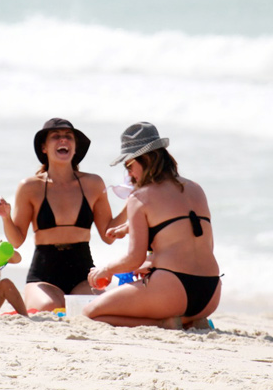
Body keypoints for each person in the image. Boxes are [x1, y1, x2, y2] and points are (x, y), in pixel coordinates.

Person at [84, 122, 221, 329]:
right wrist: (153, 264)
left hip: (173, 290)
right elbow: (201, 248)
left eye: (129, 166)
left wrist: (105, 270)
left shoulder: (139, 198)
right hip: (211, 293)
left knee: (89, 314)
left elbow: (133, 258)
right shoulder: (196, 189)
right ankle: (189, 320)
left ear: (146, 159)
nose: (129, 175)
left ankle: (165, 322)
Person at [0, 118, 125, 311]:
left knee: (97, 307)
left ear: (75, 146)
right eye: (56, 137)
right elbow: (16, 241)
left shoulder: (93, 184)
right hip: (43, 276)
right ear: (44, 147)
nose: (63, 140)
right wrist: (6, 217)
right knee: (51, 307)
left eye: (68, 137)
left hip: (83, 273)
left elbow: (108, 236)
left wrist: (132, 204)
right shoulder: (30, 187)